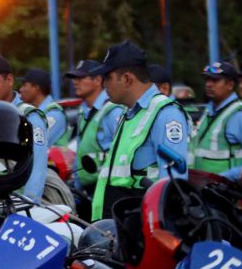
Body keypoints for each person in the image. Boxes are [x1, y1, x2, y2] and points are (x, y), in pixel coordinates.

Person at [89, 41, 189, 221]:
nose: (104, 85)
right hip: (118, 224)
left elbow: (173, 185)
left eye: (108, 78)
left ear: (127, 78)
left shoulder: (165, 113)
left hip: (140, 228)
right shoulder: (128, 113)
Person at [0, 54, 48, 201]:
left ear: (9, 80)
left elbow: (37, 169)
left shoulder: (29, 116)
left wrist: (28, 205)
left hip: (16, 203)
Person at [64, 60, 123, 194]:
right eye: (74, 78)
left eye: (80, 78)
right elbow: (80, 151)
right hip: (88, 190)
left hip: (109, 189)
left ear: (97, 80)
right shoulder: (83, 111)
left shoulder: (113, 110)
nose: (75, 82)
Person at [190, 61, 242, 178]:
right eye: (207, 80)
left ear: (230, 85)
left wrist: (228, 177)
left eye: (215, 80)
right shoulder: (208, 112)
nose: (208, 84)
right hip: (205, 190)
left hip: (229, 191)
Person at [19, 68, 69, 145]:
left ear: (36, 88)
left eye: (25, 85)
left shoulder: (54, 114)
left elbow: (35, 144)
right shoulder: (34, 112)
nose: (21, 89)